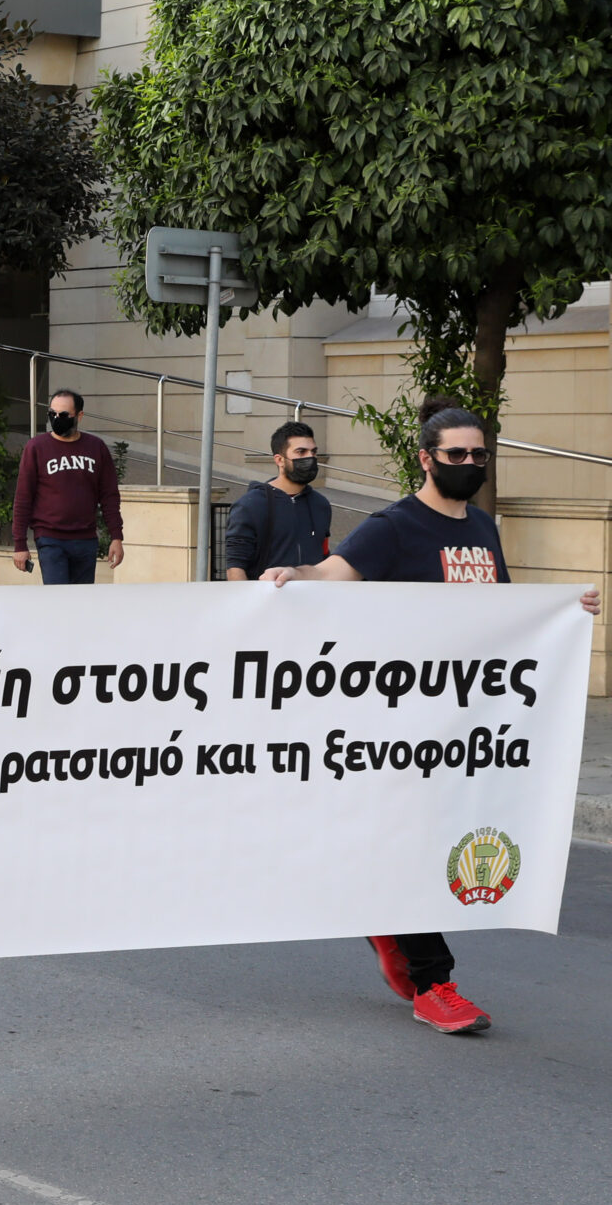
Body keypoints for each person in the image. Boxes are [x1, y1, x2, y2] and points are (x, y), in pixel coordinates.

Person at [259, 404, 603, 1035]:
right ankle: (433, 982)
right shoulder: (395, 526)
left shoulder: (482, 527)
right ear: (426, 457)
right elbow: (333, 575)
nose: (469, 465)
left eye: (479, 456)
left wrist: (564, 609)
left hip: (466, 723)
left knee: (434, 838)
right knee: (416, 843)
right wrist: (294, 575)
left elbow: (504, 612)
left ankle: (388, 926)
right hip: (406, 724)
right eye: (455, 455)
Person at [12, 389, 124, 583]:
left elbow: (109, 496)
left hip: (86, 539)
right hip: (50, 538)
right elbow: (23, 496)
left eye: (63, 415)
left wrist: (116, 536)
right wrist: (20, 544)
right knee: (58, 602)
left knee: (81, 604)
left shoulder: (96, 447)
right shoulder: (36, 447)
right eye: (52, 414)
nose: (57, 419)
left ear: (79, 416)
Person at [225, 420, 333, 581]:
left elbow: (324, 556)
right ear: (279, 460)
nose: (310, 457)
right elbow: (235, 566)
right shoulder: (251, 505)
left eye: (313, 452)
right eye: (301, 452)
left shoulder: (321, 505)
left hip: (313, 600)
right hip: (267, 599)